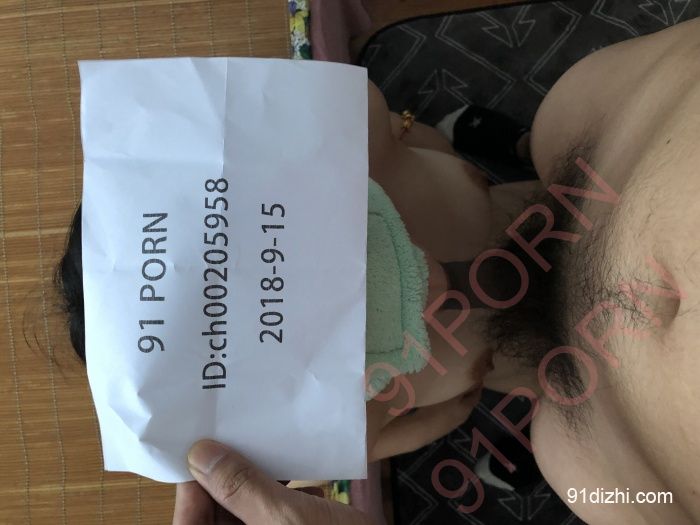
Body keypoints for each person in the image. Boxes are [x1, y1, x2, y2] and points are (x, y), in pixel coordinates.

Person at [174, 17, 700, 525]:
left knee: (553, 132)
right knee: (562, 440)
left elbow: (403, 132)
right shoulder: (587, 469)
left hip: (580, 169)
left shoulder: (349, 132)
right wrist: (453, 407)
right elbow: (397, 433)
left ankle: (514, 148)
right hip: (578, 404)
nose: (425, 283)